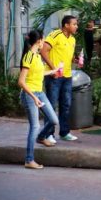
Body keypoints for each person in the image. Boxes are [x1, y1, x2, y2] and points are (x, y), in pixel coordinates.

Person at [18, 30, 60, 169]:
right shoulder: (28, 56)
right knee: (34, 126)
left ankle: (41, 138)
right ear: (39, 41)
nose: (44, 42)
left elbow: (39, 73)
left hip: (39, 93)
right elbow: (21, 82)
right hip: (30, 95)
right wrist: (34, 97)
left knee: (54, 120)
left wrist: (54, 71)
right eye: (43, 40)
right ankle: (29, 160)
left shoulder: (37, 56)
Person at [40, 15, 79, 143]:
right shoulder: (55, 35)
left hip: (67, 76)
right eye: (74, 24)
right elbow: (44, 51)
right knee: (51, 105)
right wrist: (53, 69)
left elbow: (67, 56)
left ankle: (64, 132)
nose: (76, 26)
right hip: (54, 77)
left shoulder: (72, 39)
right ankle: (48, 134)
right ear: (66, 25)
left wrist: (76, 60)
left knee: (66, 105)